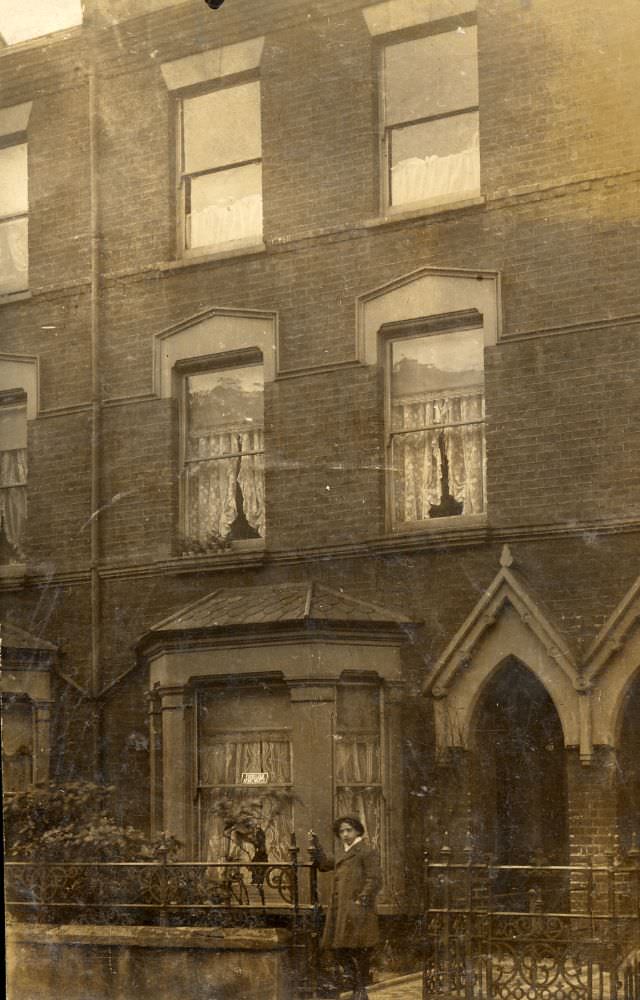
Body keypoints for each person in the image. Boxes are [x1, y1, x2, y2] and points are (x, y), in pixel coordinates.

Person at [308, 816, 381, 1000]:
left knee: (358, 949)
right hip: (340, 911)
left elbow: (375, 879)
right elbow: (324, 864)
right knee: (338, 947)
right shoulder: (343, 852)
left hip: (357, 910)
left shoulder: (366, 851)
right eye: (341, 831)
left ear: (358, 831)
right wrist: (316, 845)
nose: (345, 834)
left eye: (349, 830)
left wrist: (361, 899)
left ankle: (360, 989)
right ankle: (356, 985)